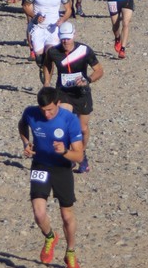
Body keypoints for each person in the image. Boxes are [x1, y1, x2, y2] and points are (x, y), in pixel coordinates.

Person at [18, 87, 84, 268]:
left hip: (62, 168)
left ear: (58, 103)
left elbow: (79, 156)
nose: (46, 114)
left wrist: (64, 151)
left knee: (67, 216)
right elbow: (22, 125)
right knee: (39, 214)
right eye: (43, 110)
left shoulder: (69, 120)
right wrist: (26, 143)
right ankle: (50, 236)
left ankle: (70, 252)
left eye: (50, 110)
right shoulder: (31, 113)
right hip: (40, 165)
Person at [43, 22, 103, 173]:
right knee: (64, 125)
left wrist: (88, 80)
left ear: (74, 35)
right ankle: (67, 156)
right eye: (63, 38)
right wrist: (47, 82)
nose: (65, 41)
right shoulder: (53, 52)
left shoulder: (84, 50)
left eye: (68, 38)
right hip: (63, 93)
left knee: (82, 129)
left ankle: (81, 154)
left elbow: (99, 70)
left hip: (81, 93)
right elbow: (47, 65)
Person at [23, 0, 72, 76]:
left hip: (53, 28)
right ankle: (42, 67)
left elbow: (68, 9)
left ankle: (47, 82)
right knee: (39, 57)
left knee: (50, 54)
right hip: (38, 28)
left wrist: (63, 19)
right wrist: (34, 17)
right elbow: (25, 5)